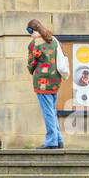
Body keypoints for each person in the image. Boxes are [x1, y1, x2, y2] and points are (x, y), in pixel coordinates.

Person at [26, 18, 65, 149]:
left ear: (32, 30)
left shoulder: (34, 44)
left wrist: (34, 67)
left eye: (29, 31)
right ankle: (59, 139)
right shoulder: (53, 40)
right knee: (52, 110)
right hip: (55, 80)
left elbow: (31, 65)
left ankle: (51, 141)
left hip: (42, 81)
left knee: (48, 111)